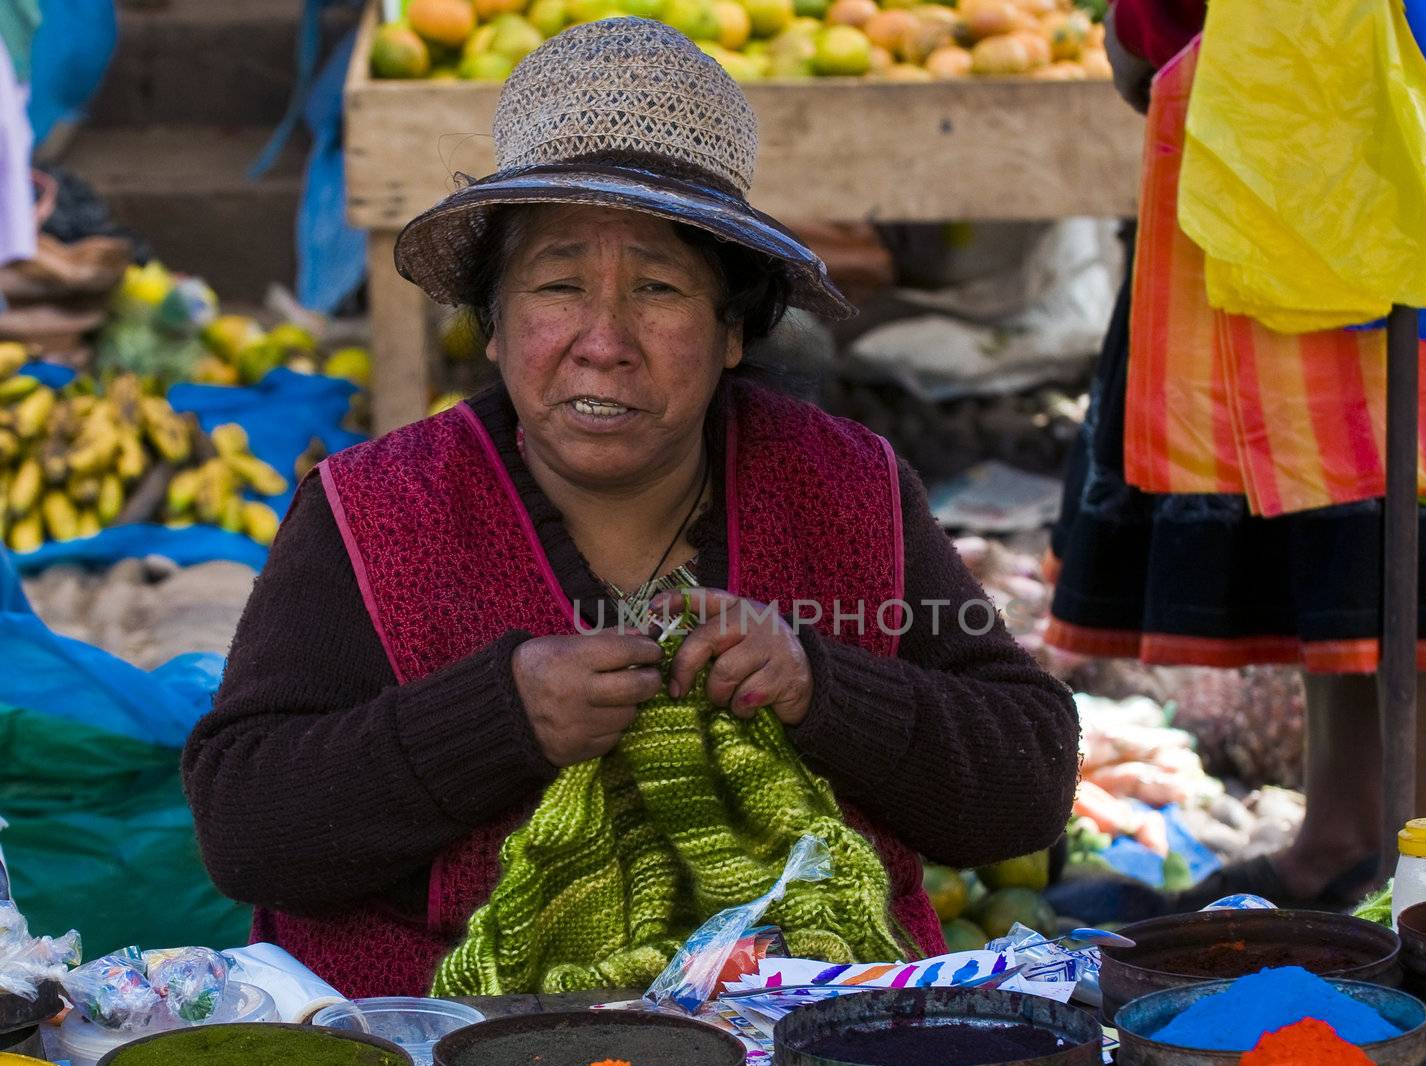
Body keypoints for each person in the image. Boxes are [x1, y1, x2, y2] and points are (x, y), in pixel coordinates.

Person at [182, 19, 1078, 998]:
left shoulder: (844, 485)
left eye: (657, 288)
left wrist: (821, 686)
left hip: (804, 1048)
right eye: (558, 286)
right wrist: (496, 719)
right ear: (493, 326)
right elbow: (246, 828)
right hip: (453, 1053)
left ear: (732, 329)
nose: (602, 340)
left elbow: (1026, 783)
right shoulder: (369, 512)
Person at [1049, 0, 1426, 914]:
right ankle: (1349, 841)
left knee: (1423, 473)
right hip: (1369, 102)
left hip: (1369, 111)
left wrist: (1148, 26)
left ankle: (1420, 871)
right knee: (1352, 482)